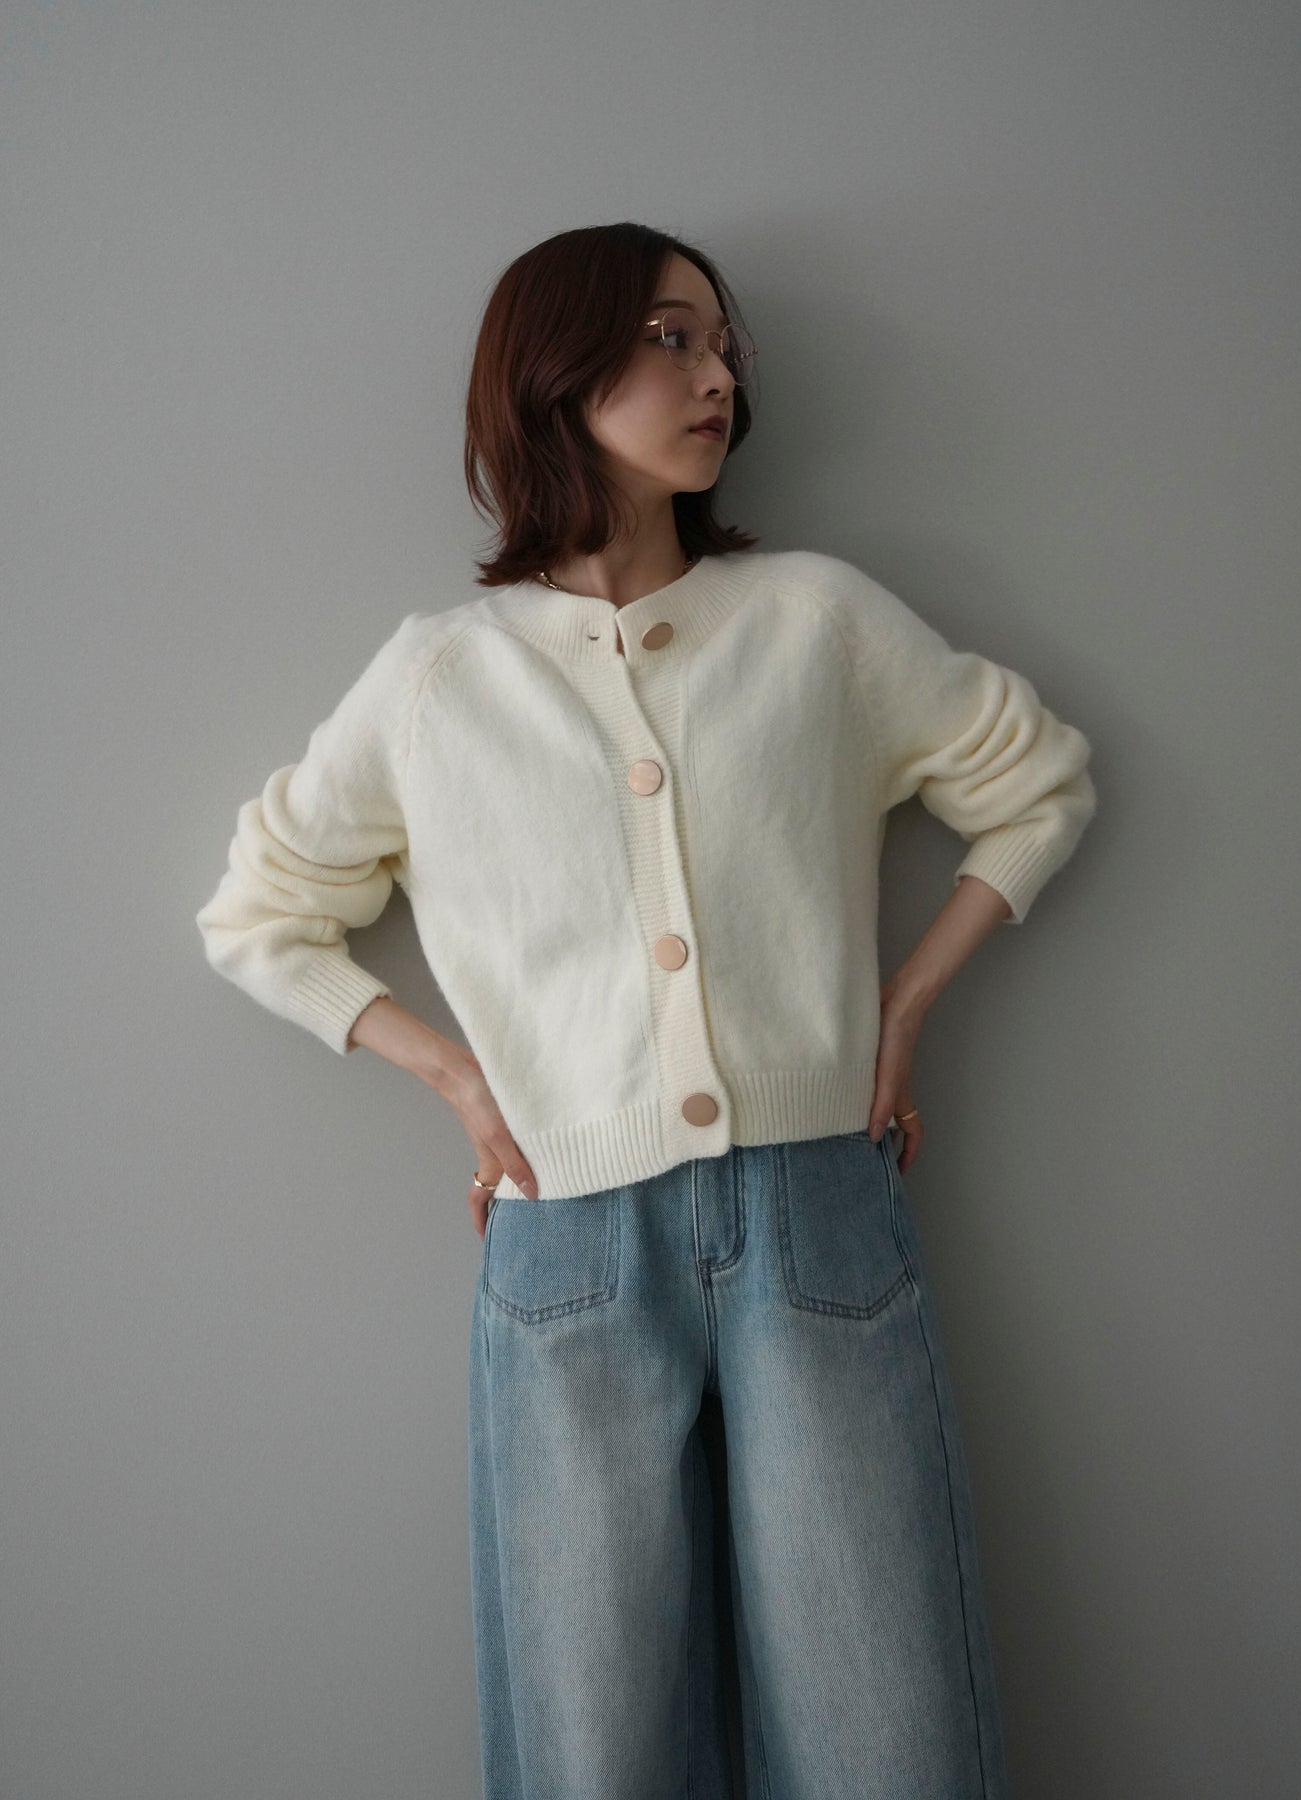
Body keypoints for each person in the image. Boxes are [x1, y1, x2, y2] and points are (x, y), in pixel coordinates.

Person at [196, 220, 1097, 1798]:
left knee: (886, 1726)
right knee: (590, 1742)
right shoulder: (438, 678)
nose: (717, 374)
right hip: (564, 1240)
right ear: (556, 370)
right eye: (671, 338)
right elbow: (258, 914)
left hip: (820, 1212)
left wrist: (902, 1008)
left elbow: (1040, 785)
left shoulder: (812, 620)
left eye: (721, 343)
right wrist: (461, 1084)